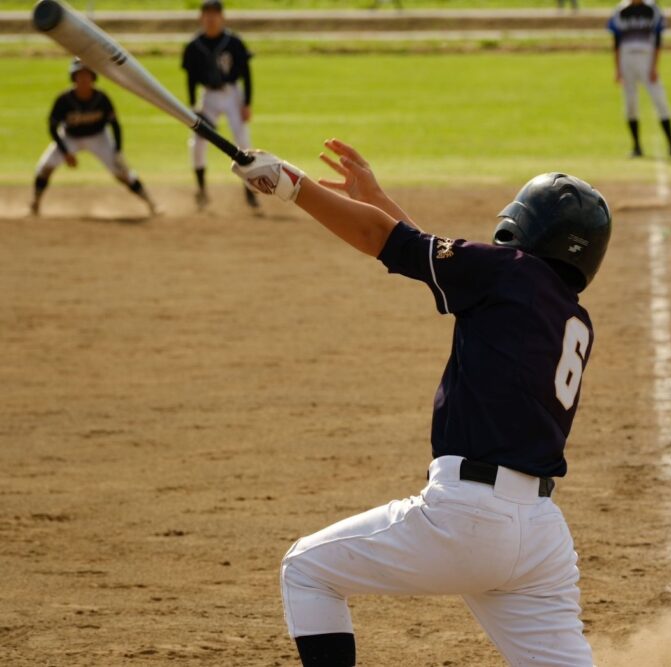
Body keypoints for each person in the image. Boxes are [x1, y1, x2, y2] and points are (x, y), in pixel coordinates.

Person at [230, 140, 612, 667]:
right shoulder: (568, 314)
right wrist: (377, 196)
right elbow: (420, 251)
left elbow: (378, 238)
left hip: (469, 520)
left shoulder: (505, 273)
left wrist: (293, 186)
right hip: (541, 540)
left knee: (307, 570)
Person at [30, 59, 157, 217]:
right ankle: (35, 203)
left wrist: (117, 150)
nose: (83, 79)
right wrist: (65, 152)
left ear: (93, 78)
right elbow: (52, 127)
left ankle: (151, 204)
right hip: (70, 137)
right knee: (45, 167)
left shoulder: (101, 98)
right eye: (79, 76)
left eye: (87, 75)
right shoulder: (63, 100)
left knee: (122, 173)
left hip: (99, 137)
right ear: (73, 78)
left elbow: (115, 125)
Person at [182, 0, 256, 210]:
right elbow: (190, 79)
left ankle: (250, 192)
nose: (211, 18)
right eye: (207, 14)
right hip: (208, 96)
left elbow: (247, 74)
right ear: (201, 17)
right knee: (197, 141)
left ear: (222, 17)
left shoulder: (234, 42)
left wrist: (247, 103)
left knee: (243, 141)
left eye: (215, 14)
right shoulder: (194, 45)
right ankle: (202, 190)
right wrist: (192, 106)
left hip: (233, 94)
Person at [608, 0, 671, 160]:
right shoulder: (621, 10)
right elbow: (616, 42)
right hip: (627, 61)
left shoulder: (652, 9)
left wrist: (654, 66)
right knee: (630, 104)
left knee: (660, 101)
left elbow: (657, 40)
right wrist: (618, 69)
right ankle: (636, 146)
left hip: (646, 60)